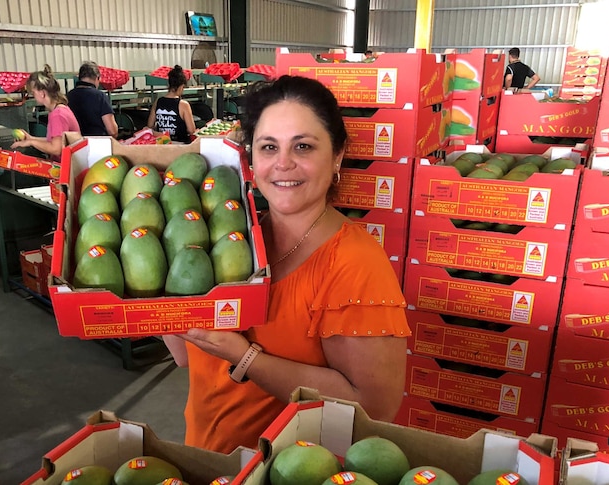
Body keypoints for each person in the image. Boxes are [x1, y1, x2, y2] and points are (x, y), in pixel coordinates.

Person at [163, 75, 410, 454]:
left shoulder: (353, 263)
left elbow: (374, 408)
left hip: (289, 468)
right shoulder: (237, 242)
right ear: (251, 158)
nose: (282, 164)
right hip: (210, 460)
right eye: (268, 147)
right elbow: (185, 356)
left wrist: (245, 357)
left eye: (303, 146)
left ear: (337, 155)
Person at [11, 65, 80, 161]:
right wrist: (31, 139)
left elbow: (56, 149)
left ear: (42, 93)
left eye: (33, 93)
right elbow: (54, 142)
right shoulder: (58, 110)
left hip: (66, 169)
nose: (32, 96)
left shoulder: (58, 115)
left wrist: (31, 143)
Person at [67, 61, 118, 137]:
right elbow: (112, 131)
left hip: (75, 143)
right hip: (97, 144)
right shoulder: (100, 96)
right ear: (97, 78)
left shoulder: (68, 96)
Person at [147, 65, 196, 143]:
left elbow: (149, 126)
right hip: (179, 145)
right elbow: (191, 130)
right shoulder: (183, 105)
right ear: (181, 86)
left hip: (162, 143)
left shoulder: (158, 101)